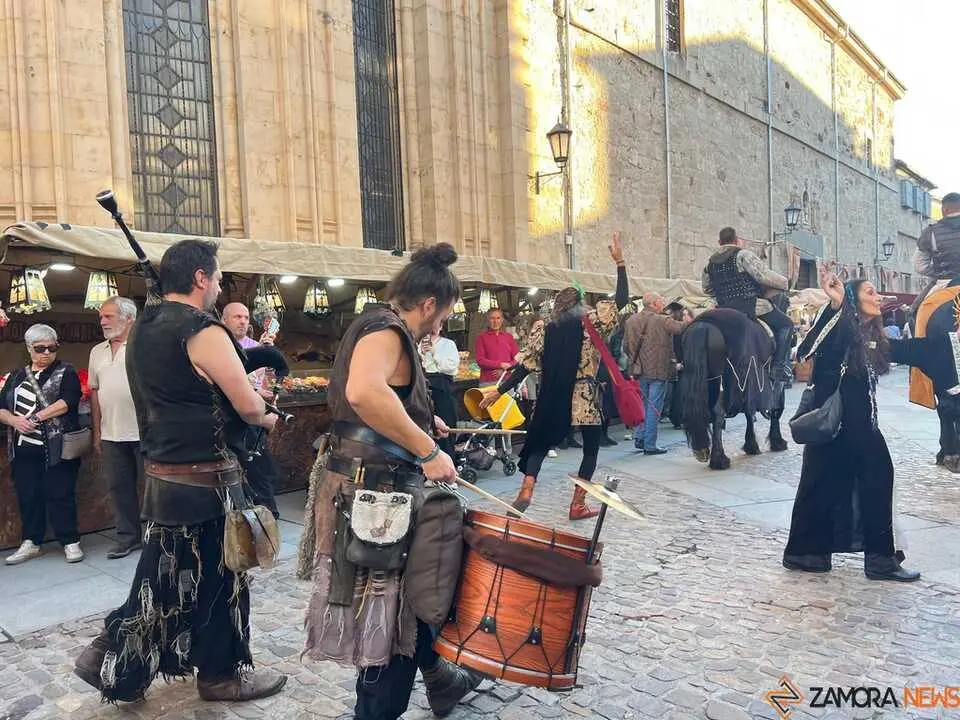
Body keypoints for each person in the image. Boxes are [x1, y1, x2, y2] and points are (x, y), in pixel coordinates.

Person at [73, 239, 287, 702]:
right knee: (218, 579)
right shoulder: (203, 331)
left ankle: (113, 657)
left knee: (165, 579)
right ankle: (220, 674)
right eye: (217, 276)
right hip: (207, 482)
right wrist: (270, 415)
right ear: (199, 278)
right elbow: (248, 406)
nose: (219, 285)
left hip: (165, 478)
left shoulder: (143, 327)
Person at [301, 243, 483, 720]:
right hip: (379, 498)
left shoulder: (373, 321)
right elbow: (364, 391)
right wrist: (427, 451)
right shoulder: (388, 330)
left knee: (403, 607)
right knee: (396, 616)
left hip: (367, 488)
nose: (440, 327)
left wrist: (423, 425)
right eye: (441, 317)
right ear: (427, 304)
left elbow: (383, 403)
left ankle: (442, 680)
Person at [782, 263, 919, 582]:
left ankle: (807, 553)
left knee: (821, 485)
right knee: (876, 477)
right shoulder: (842, 326)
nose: (878, 296)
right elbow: (807, 347)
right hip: (843, 424)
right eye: (869, 291)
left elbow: (901, 352)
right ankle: (880, 561)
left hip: (850, 425)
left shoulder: (865, 335)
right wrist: (836, 304)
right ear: (854, 301)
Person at [482, 232, 630, 519]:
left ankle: (526, 488)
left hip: (553, 397)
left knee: (538, 442)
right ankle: (578, 504)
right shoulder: (593, 323)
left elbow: (525, 365)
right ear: (582, 302)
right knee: (590, 451)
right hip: (584, 399)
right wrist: (620, 262)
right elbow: (621, 300)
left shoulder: (544, 330)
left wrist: (498, 392)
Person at [1, 324, 84, 565]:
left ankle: (70, 541)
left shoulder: (65, 371)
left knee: (61, 493)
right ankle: (31, 542)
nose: (47, 353)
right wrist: (15, 421)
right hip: (23, 447)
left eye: (52, 347)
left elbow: (67, 401)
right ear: (29, 349)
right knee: (28, 495)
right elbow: (1, 407)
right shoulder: (16, 375)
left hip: (57, 447)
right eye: (40, 348)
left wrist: (36, 418)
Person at [89, 297, 143, 559]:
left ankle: (159, 538)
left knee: (155, 490)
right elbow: (94, 392)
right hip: (111, 433)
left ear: (129, 318)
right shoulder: (97, 351)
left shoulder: (145, 347)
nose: (102, 321)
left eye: (108, 316)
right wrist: (97, 431)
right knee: (119, 488)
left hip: (146, 432)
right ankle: (128, 538)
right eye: (101, 317)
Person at [702, 227, 793, 381]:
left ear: (719, 242)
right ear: (736, 240)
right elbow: (763, 276)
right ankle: (779, 367)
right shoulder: (743, 255)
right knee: (786, 325)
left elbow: (707, 289)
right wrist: (785, 283)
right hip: (751, 306)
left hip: (723, 309)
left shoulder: (709, 264)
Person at [221, 301, 282, 518]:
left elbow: (271, 386)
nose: (243, 322)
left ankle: (268, 521)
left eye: (246, 318)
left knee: (260, 475)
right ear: (224, 320)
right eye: (237, 317)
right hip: (227, 424)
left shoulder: (257, 347)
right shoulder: (219, 348)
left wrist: (272, 409)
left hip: (253, 425)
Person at [623, 292, 688, 454]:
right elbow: (681, 328)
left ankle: (639, 438)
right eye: (661, 301)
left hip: (638, 370)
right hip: (658, 370)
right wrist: (688, 318)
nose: (663, 304)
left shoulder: (631, 321)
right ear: (653, 304)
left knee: (643, 405)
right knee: (654, 408)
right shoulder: (662, 320)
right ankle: (650, 445)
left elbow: (625, 347)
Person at [420, 328, 461, 457]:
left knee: (445, 425)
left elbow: (451, 368)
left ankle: (449, 460)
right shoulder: (419, 343)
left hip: (442, 385)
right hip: (423, 384)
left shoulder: (448, 344)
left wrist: (434, 352)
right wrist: (421, 353)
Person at [475, 308, 519, 383]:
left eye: (498, 318)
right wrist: (500, 364)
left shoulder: (509, 337)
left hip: (507, 381)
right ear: (488, 320)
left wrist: (505, 369)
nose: (495, 321)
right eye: (492, 318)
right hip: (487, 382)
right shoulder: (481, 338)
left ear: (502, 320)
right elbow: (480, 360)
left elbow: (517, 359)